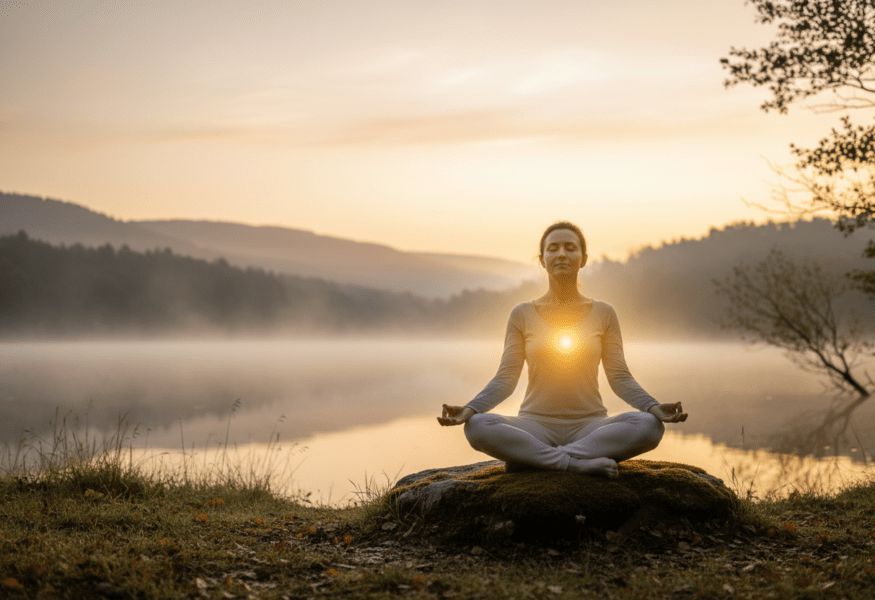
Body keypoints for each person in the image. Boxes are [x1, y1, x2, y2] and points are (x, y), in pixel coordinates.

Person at [437, 221, 687, 478]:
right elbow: (505, 378)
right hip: (534, 425)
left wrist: (652, 406)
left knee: (649, 426)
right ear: (542, 260)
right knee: (477, 426)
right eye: (553, 248)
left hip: (591, 426)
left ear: (583, 259)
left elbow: (619, 376)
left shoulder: (604, 313)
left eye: (570, 248)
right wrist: (470, 409)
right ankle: (573, 463)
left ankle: (534, 458)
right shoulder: (521, 314)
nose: (561, 254)